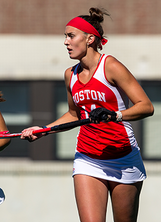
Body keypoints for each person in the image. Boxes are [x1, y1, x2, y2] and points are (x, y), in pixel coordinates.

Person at [21, 8, 154, 222]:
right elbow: (74, 115)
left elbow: (146, 106)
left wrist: (115, 115)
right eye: (65, 36)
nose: (65, 42)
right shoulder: (70, 75)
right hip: (87, 158)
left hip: (123, 158)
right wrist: (44, 130)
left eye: (71, 36)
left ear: (90, 38)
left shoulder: (111, 66)